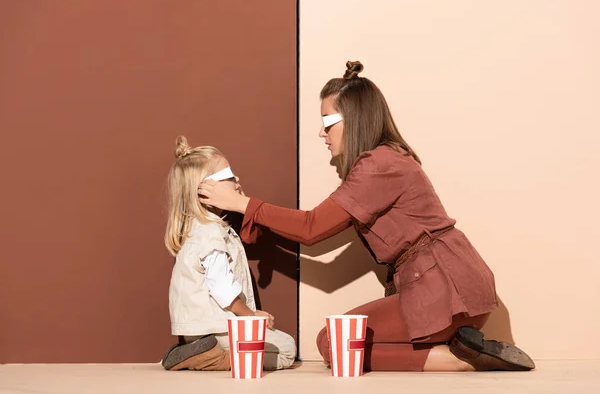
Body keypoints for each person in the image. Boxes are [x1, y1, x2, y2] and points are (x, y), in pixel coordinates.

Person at [197, 62, 535, 372]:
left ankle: (460, 360)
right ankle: (463, 348)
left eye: (327, 122)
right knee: (339, 341)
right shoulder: (388, 161)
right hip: (451, 288)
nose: (321, 133)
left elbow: (312, 227)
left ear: (354, 119)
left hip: (444, 291)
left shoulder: (378, 166)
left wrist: (242, 204)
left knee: (333, 343)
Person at [160, 136, 296, 371]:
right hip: (216, 328)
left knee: (275, 341)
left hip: (204, 329)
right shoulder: (211, 233)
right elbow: (223, 290)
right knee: (286, 349)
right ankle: (210, 357)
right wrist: (250, 317)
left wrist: (252, 314)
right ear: (204, 190)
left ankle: (199, 350)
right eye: (230, 176)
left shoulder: (197, 229)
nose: (238, 180)